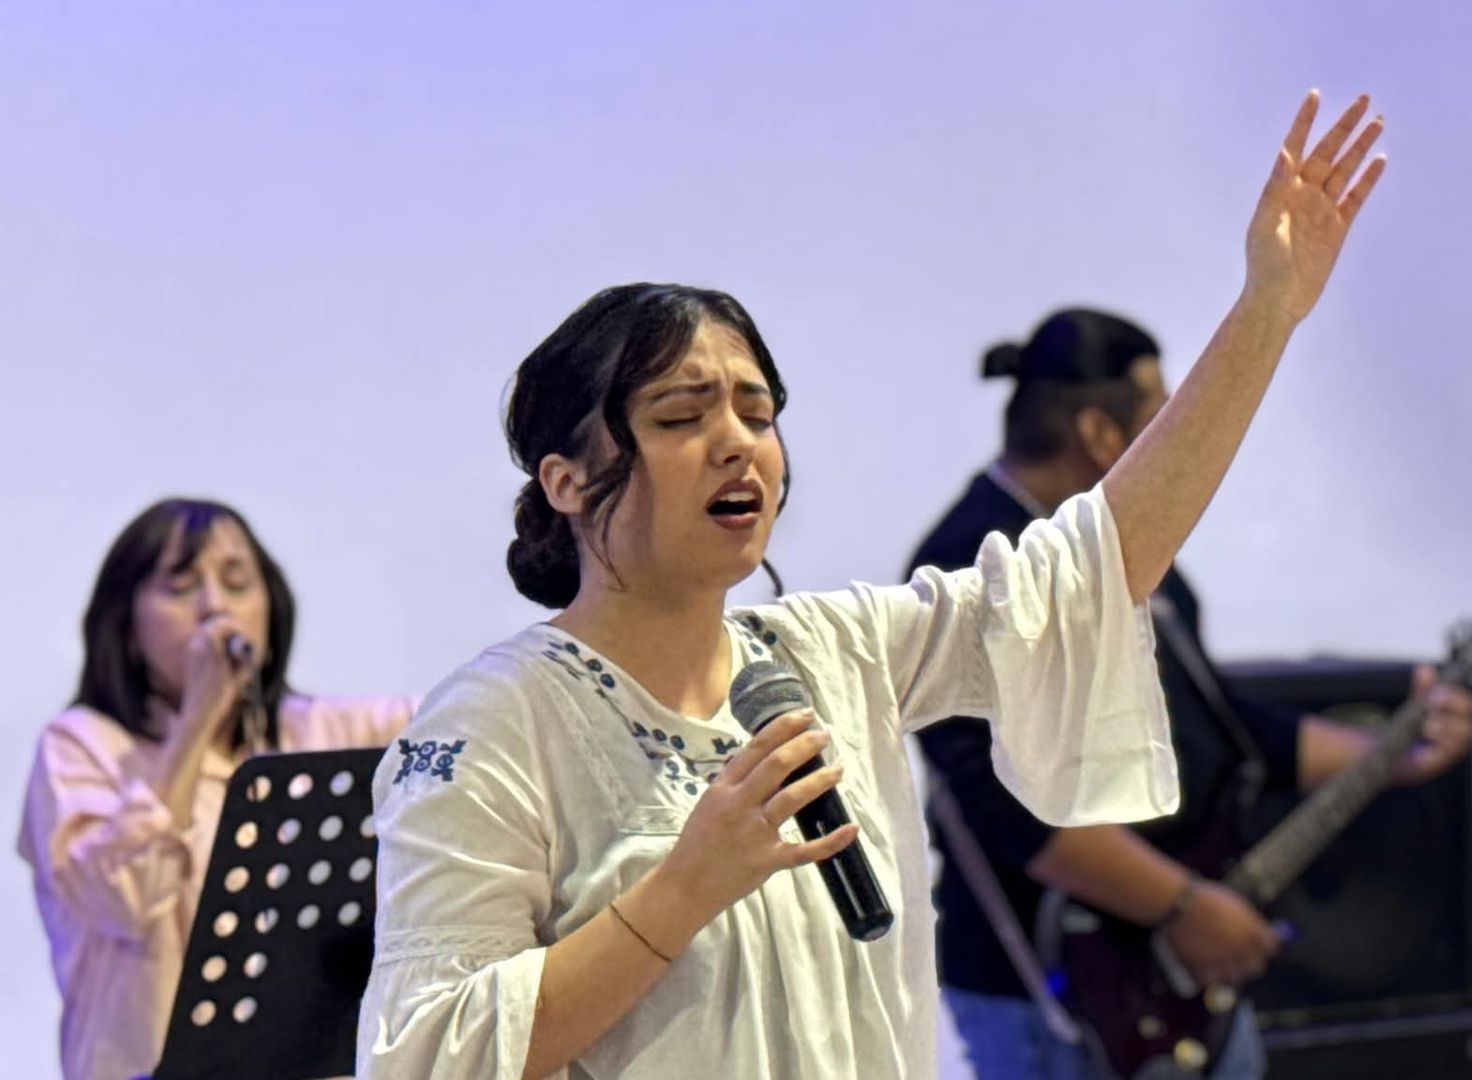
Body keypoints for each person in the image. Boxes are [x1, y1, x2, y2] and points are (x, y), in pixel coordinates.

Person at [355, 89, 1389, 1079]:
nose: (738, 446)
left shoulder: (832, 655)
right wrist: (677, 893)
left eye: (758, 415)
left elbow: (1096, 562)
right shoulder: (491, 727)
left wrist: (1266, 314)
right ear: (567, 480)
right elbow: (427, 1056)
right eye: (683, 416)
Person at [911, 306, 1472, 1079]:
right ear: (1098, 433)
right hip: (1053, 998)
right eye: (1163, 415)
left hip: (1176, 978)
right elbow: (1012, 809)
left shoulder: (1128, 550)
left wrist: (1390, 752)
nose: (1183, 436)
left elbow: (1214, 732)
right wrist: (1184, 907)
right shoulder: (969, 563)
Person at [16, 498, 414, 1080]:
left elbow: (456, 726)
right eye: (181, 588)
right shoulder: (80, 745)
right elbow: (118, 898)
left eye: (236, 583)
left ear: (270, 614)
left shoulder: (320, 730)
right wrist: (197, 722)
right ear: (126, 628)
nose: (214, 608)